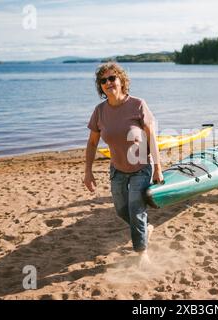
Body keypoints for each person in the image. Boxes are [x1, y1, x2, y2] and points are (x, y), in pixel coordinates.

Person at [84, 62, 163, 268]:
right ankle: (145, 229)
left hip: (141, 167)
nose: (108, 83)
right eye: (103, 80)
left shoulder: (138, 104)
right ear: (100, 86)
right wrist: (88, 172)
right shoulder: (99, 111)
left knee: (136, 209)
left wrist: (158, 168)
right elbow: (92, 143)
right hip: (117, 169)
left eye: (112, 78)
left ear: (121, 81)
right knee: (121, 210)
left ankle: (141, 253)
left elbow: (151, 137)